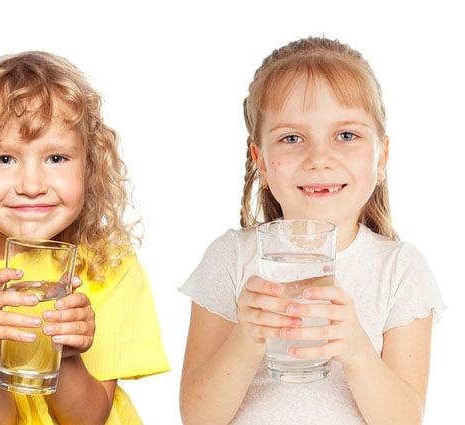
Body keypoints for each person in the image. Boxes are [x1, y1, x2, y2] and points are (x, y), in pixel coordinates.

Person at [178, 36, 445, 424]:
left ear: (381, 157)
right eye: (291, 138)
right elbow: (198, 417)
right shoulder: (230, 258)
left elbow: (405, 419)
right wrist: (247, 339)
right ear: (262, 162)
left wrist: (355, 349)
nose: (319, 158)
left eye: (346, 135)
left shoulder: (400, 269)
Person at [0, 51, 170, 424]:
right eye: (4, 159)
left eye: (56, 158)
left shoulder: (108, 265)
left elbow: (88, 419)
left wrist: (68, 353)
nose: (31, 185)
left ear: (89, 166)